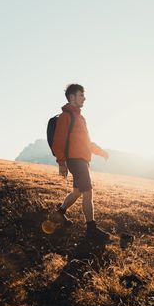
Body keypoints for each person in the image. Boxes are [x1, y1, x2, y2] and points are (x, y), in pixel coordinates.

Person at [52, 83, 110, 242]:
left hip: (82, 160)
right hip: (75, 160)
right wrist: (61, 163)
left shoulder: (80, 118)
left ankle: (60, 213)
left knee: (77, 192)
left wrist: (101, 152)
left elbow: (87, 142)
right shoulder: (66, 117)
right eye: (81, 95)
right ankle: (91, 229)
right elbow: (58, 141)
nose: (84, 98)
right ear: (72, 97)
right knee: (88, 192)